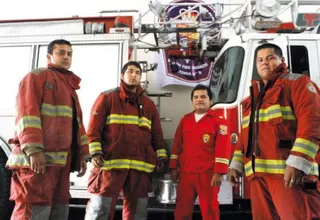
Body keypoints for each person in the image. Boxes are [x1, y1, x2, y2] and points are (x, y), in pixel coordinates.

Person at [228, 43, 320, 220]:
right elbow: (245, 135)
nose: (264, 63)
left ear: (282, 60)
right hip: (258, 177)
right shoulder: (253, 97)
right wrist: (236, 165)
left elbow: (313, 122)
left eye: (270, 58)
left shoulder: (297, 83)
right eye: (260, 60)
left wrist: (298, 162)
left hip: (288, 175)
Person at [5, 39, 89, 220]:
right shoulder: (36, 77)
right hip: (38, 162)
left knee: (58, 209)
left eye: (69, 53)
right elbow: (27, 115)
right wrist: (34, 150)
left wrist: (82, 154)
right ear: (49, 56)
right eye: (61, 53)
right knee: (33, 209)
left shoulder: (69, 86)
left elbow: (77, 124)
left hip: (60, 164)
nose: (66, 57)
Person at [85, 61, 167, 220]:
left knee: (137, 213)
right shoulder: (107, 98)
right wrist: (95, 153)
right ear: (122, 75)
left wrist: (161, 155)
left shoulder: (148, 104)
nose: (134, 75)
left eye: (137, 72)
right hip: (110, 165)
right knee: (100, 209)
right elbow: (93, 129)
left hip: (139, 167)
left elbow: (157, 134)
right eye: (130, 71)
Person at [169, 84, 231, 220]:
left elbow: (223, 148)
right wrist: (173, 168)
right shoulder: (185, 120)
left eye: (203, 96)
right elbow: (177, 145)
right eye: (196, 97)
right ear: (192, 101)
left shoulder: (219, 121)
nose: (199, 100)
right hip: (186, 173)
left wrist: (219, 173)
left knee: (210, 211)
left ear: (211, 101)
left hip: (208, 175)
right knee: (181, 211)